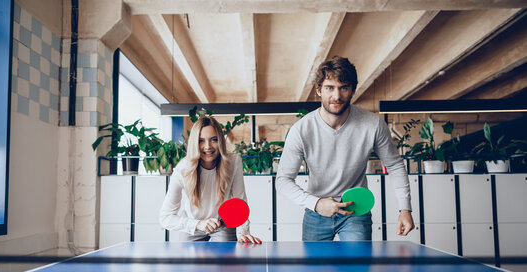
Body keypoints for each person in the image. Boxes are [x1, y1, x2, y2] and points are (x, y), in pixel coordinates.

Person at [276, 56, 414, 241]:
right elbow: (283, 180)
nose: (337, 96)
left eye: (344, 87)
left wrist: (405, 209)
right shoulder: (301, 130)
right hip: (317, 213)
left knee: (356, 269)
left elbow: (395, 166)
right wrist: (316, 204)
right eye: (329, 88)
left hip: (356, 211)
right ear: (319, 90)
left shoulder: (372, 124)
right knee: (314, 271)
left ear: (353, 90)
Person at [159, 116, 261, 244]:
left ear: (221, 141)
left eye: (214, 140)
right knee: (188, 261)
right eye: (201, 141)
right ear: (194, 143)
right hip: (193, 224)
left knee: (223, 261)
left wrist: (243, 233)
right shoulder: (182, 169)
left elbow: (240, 201)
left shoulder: (233, 162)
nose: (208, 146)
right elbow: (165, 217)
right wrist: (198, 224)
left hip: (222, 225)